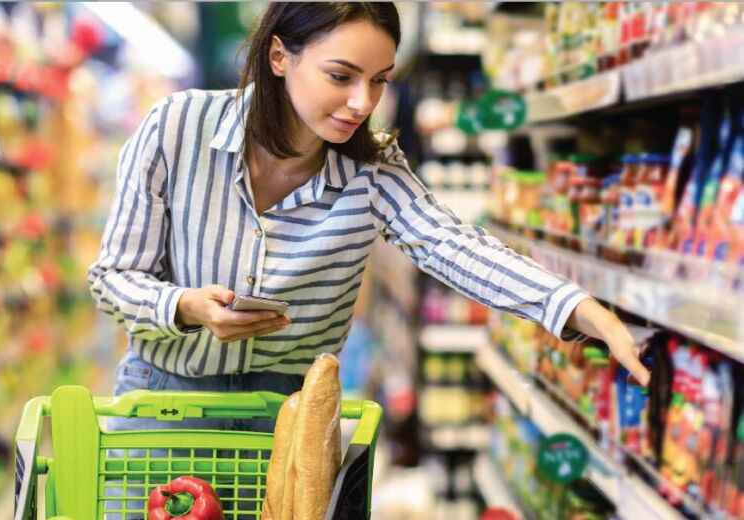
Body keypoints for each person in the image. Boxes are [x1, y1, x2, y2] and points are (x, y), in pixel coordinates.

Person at [88, 2, 650, 436]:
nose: (363, 102)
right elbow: (112, 277)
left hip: (294, 420)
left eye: (379, 79)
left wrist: (579, 309)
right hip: (165, 407)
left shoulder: (373, 167)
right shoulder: (177, 127)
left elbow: (454, 246)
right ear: (280, 57)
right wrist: (184, 306)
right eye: (342, 76)